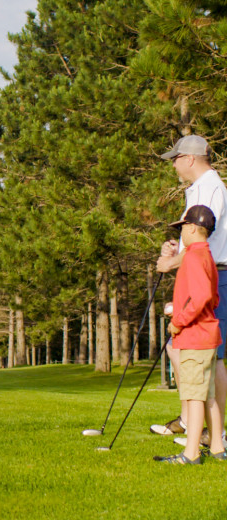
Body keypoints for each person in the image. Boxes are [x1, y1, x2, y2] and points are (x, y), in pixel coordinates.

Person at [152, 135, 227, 448]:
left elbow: (201, 238)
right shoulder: (196, 189)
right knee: (178, 347)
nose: (173, 163)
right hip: (197, 271)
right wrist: (174, 250)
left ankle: (215, 432)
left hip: (214, 275)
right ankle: (191, 421)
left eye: (176, 158)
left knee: (213, 356)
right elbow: (190, 238)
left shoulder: (212, 187)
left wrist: (171, 263)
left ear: (191, 158)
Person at [154, 205, 225, 463]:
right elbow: (213, 297)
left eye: (182, 227)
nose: (181, 231)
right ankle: (217, 447)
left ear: (193, 228)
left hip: (194, 335)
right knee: (208, 396)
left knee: (193, 395)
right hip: (208, 333)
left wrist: (178, 321)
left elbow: (203, 296)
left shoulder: (193, 256)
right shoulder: (207, 255)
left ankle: (191, 453)